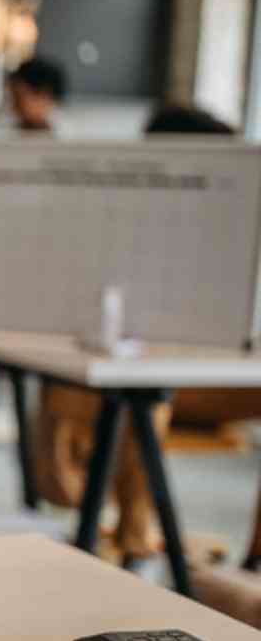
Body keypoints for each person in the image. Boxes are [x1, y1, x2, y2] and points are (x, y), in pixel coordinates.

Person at [35, 105, 261, 563]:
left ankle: (255, 562)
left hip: (224, 370)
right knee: (146, 395)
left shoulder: (233, 224)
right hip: (156, 378)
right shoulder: (125, 224)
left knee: (148, 394)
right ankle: (133, 536)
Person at [6, 57, 67, 133]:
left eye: (18, 97)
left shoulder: (68, 137)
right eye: (13, 97)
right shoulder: (8, 133)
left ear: (44, 95)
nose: (13, 105)